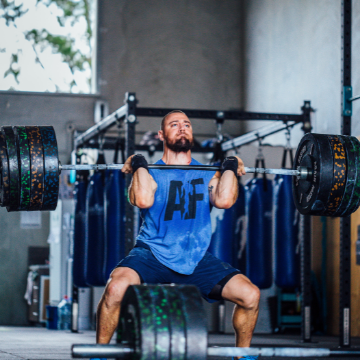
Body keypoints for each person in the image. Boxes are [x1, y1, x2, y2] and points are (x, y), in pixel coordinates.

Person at [95, 110, 260, 360]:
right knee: (116, 287)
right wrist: (139, 162)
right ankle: (99, 355)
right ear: (162, 135)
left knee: (250, 295)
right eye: (174, 124)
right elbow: (142, 198)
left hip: (195, 258)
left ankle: (243, 357)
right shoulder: (150, 172)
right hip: (151, 253)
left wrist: (229, 166)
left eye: (187, 124)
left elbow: (225, 200)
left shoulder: (209, 173)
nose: (182, 128)